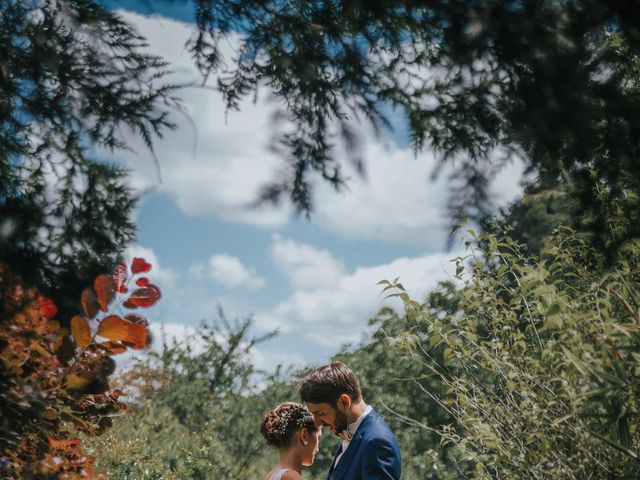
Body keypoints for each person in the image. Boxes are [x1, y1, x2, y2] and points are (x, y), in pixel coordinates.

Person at [299, 362, 401, 480]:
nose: (317, 423)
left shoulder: (377, 443)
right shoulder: (352, 432)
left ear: (344, 402)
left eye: (321, 413)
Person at [261, 402, 322, 480]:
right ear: (304, 435)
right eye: (318, 437)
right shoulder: (290, 476)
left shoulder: (272, 474)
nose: (317, 449)